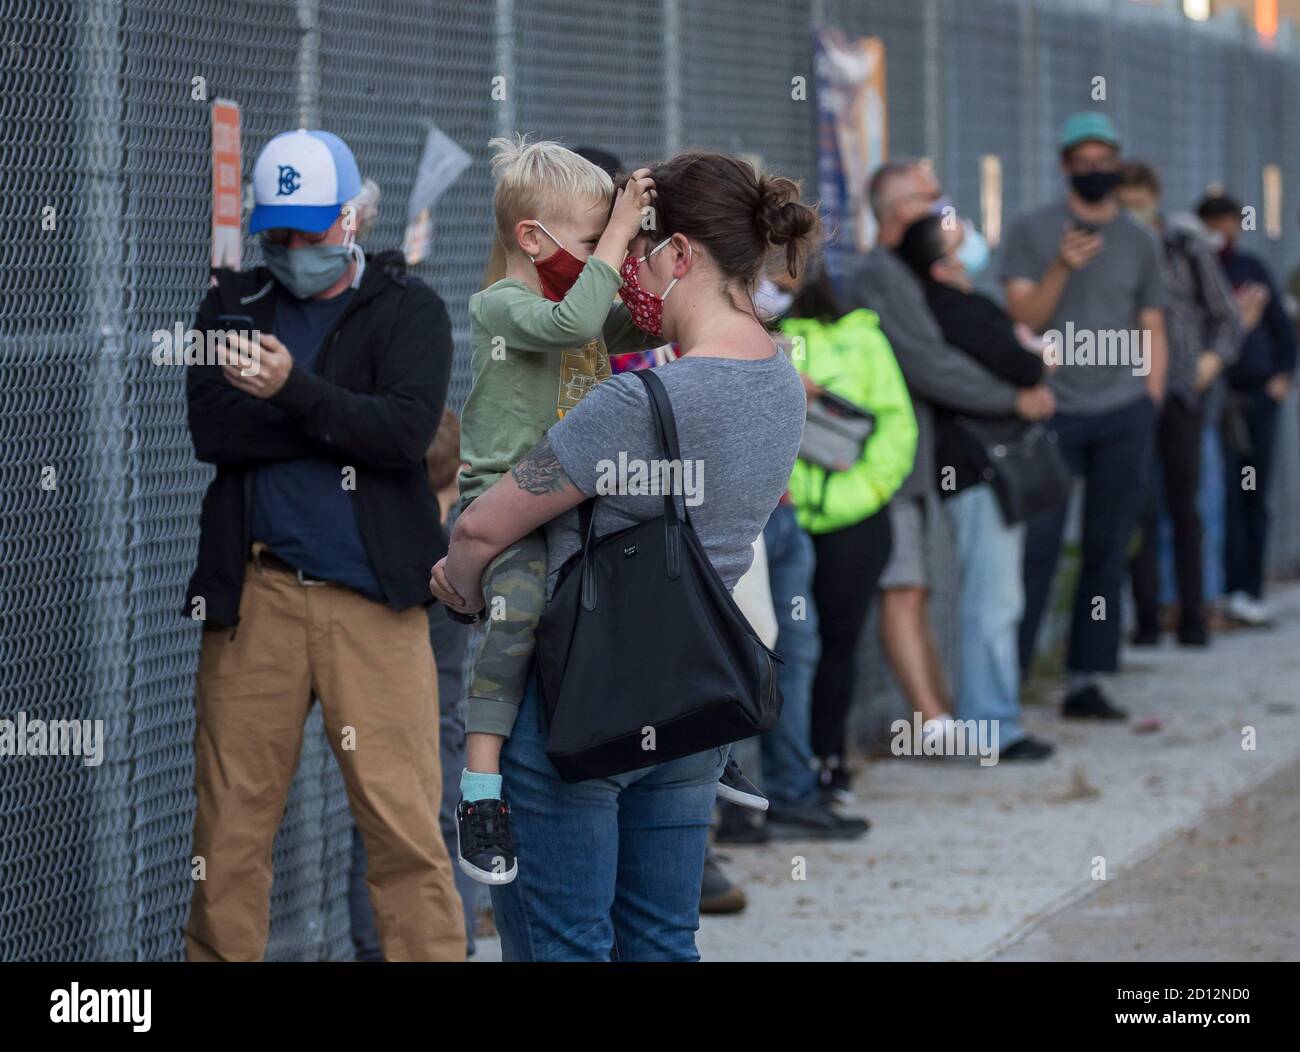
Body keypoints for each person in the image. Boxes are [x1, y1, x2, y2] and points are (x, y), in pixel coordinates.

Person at [430, 151, 817, 961]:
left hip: (581, 696)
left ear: (680, 256)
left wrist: (457, 585)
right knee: (663, 941)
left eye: (637, 252)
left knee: (565, 945)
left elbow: (481, 528)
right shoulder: (783, 383)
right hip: (689, 700)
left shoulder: (638, 403)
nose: (627, 275)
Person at [183, 129, 465, 961]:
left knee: (404, 832)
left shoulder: (407, 309)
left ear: (351, 217)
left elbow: (406, 433)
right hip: (257, 595)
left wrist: (292, 392)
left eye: (312, 232)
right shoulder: (234, 303)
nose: (296, 250)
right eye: (281, 235)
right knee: (229, 835)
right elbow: (215, 429)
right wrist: (337, 416)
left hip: (373, 604)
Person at [452, 136, 667, 886]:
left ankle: (701, 734)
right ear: (532, 239)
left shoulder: (576, 303)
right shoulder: (503, 306)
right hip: (507, 499)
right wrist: (614, 237)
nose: (599, 254)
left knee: (651, 590)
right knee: (514, 614)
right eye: (588, 239)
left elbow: (645, 324)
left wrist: (650, 254)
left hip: (574, 498)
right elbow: (572, 325)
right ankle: (481, 793)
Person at [845, 159, 1049, 747]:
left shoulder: (917, 273)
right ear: (898, 210)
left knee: (919, 591)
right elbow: (928, 363)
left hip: (919, 460)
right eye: (928, 198)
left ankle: (951, 721)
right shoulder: (881, 275)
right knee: (908, 590)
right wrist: (1014, 396)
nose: (942, 206)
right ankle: (951, 726)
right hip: (889, 465)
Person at [1002, 112, 1168, 719]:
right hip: (1054, 409)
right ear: (1065, 165)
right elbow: (1023, 319)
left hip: (1123, 409)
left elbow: (1153, 322)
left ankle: (1086, 679)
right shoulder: (1033, 230)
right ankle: (1012, 677)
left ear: (1118, 163)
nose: (1096, 170)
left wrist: (1150, 397)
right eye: (1084, 159)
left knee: (1107, 544)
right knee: (1038, 545)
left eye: (1106, 160)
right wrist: (1062, 266)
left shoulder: (1140, 239)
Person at [897, 214, 1057, 760]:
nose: (970, 237)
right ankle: (992, 726)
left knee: (994, 595)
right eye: (958, 239)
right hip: (976, 470)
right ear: (943, 267)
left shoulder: (951, 305)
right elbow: (1023, 366)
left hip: (973, 470)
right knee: (994, 599)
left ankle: (994, 716)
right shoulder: (957, 308)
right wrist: (1031, 357)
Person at [780, 265, 918, 794]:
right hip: (787, 515)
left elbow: (896, 425)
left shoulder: (864, 338)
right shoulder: (770, 339)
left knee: (836, 644)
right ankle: (786, 773)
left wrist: (859, 493)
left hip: (852, 523)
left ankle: (827, 760)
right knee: (788, 647)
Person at [349, 409, 481, 958]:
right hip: (439, 721)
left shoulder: (379, 544)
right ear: (462, 468)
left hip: (378, 717)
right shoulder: (456, 547)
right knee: (448, 833)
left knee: (377, 835)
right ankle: (455, 942)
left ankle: (376, 948)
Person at [1117, 163, 1242, 646]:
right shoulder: (1109, 248)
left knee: (1184, 506)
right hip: (1127, 393)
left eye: (1138, 200)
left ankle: (1193, 615)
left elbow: (1225, 317)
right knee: (1138, 507)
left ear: (1155, 196)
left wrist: (1210, 363)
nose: (1132, 211)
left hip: (1180, 393)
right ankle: (1146, 620)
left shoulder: (1184, 246)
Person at [1196, 191, 1296, 628]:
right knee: (1222, 498)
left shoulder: (1252, 268)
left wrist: (1282, 376)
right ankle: (1216, 589)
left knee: (1253, 491)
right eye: (1212, 223)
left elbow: (1283, 329)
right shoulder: (1197, 270)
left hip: (1256, 401)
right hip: (1216, 398)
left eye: (1228, 221)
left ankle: (1247, 589)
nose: (1221, 231)